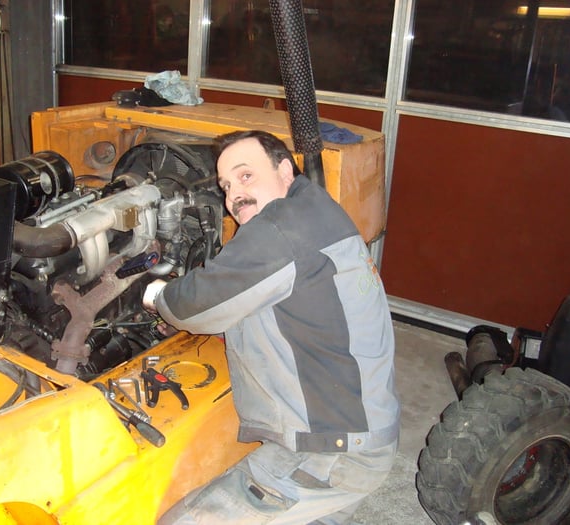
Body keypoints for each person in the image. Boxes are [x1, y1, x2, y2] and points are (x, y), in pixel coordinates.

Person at [143, 130, 400, 525]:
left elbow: (189, 305)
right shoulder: (317, 208)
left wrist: (157, 296)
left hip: (328, 453)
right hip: (364, 431)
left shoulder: (281, 228)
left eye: (246, 176)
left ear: (284, 171)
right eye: (226, 186)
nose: (234, 196)